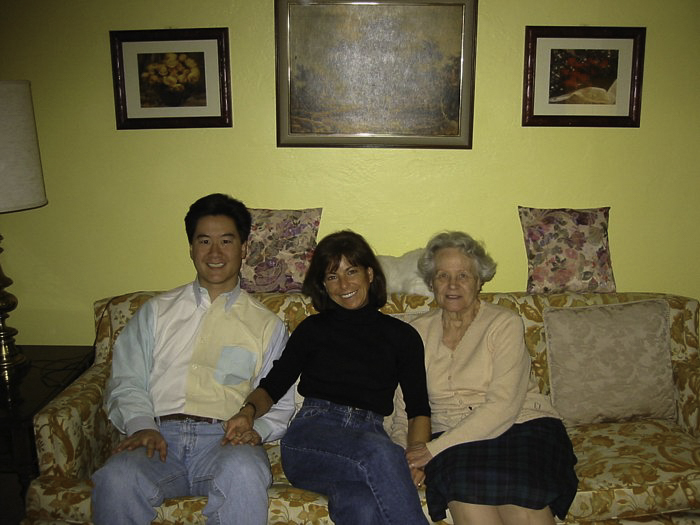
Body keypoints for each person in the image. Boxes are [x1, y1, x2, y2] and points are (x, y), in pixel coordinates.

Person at [91, 193, 296, 525]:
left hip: (226, 441)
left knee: (245, 472)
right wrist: (142, 426)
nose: (215, 253)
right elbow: (126, 380)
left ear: (243, 248)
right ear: (191, 248)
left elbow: (281, 397)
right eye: (204, 241)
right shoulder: (156, 312)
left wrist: (256, 430)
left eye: (226, 241)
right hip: (157, 437)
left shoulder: (267, 325)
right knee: (117, 478)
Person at [226, 230, 432, 525]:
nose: (344, 284)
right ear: (323, 284)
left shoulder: (403, 337)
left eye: (352, 271)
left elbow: (418, 409)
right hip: (311, 438)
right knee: (381, 453)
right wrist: (247, 412)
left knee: (360, 505)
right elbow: (273, 386)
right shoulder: (312, 329)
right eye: (333, 276)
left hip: (369, 436)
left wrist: (416, 457)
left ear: (369, 274)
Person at [403, 231, 578, 525]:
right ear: (432, 282)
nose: (453, 285)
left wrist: (431, 451)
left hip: (522, 425)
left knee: (523, 500)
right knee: (466, 496)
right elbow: (402, 409)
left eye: (463, 276)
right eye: (443, 276)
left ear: (479, 281)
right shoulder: (413, 334)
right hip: (453, 437)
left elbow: (503, 406)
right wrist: (407, 457)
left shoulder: (503, 323)